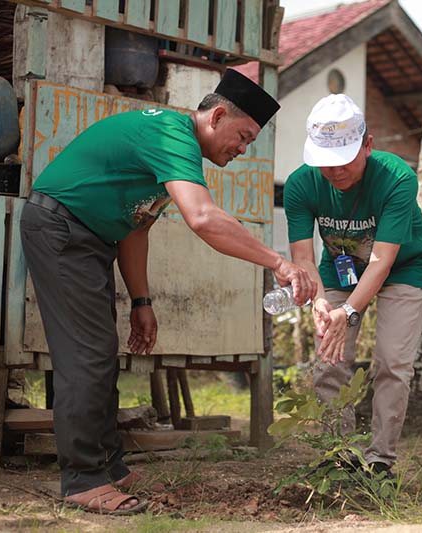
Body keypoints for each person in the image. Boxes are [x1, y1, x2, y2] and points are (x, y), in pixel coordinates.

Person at [20, 69, 316, 514]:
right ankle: (83, 478)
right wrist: (278, 262)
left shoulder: (171, 149)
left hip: (89, 238)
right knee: (87, 353)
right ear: (217, 116)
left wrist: (143, 302)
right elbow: (202, 219)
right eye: (243, 136)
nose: (242, 149)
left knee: (100, 350)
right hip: (60, 229)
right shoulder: (170, 132)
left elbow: (136, 227)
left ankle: (108, 467)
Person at [283, 94, 422, 477]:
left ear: (368, 144)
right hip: (339, 271)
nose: (334, 171)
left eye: (344, 158)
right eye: (324, 162)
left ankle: (380, 458)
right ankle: (340, 453)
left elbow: (382, 261)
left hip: (403, 268)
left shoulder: (397, 178)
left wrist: (348, 311)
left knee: (391, 361)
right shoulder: (300, 186)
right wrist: (318, 300)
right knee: (329, 358)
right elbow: (302, 257)